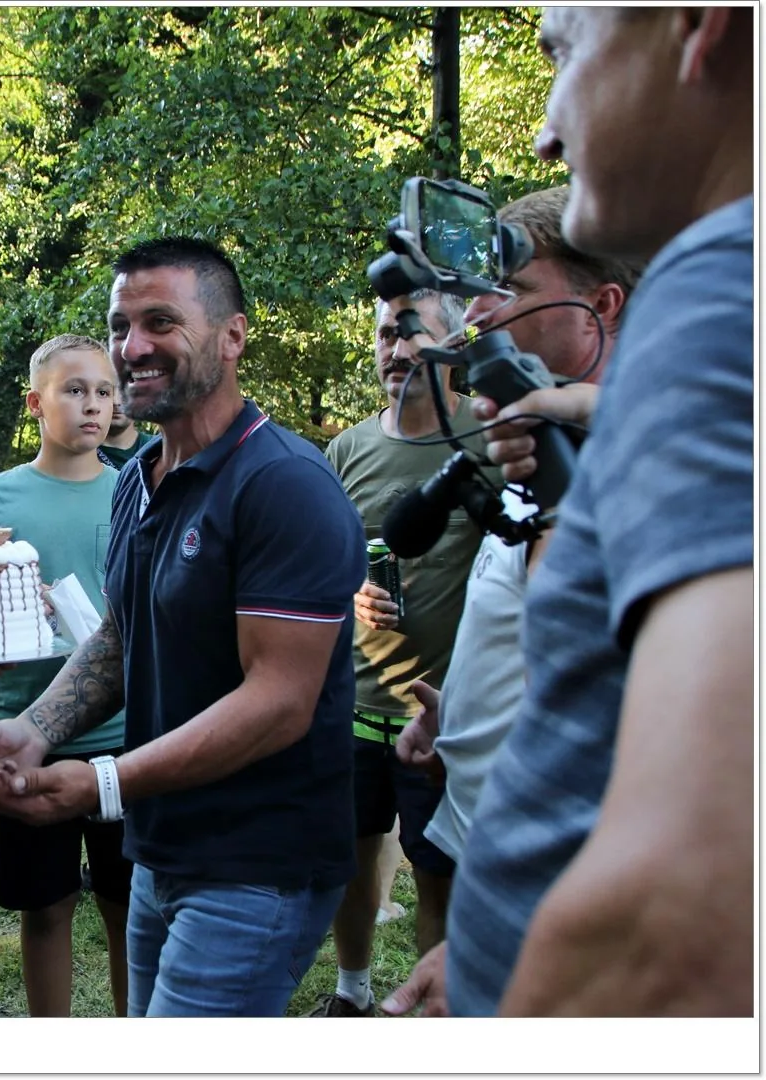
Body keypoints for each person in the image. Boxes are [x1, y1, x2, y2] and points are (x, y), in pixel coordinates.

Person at [410, 6, 750, 1016]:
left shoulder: (720, 286)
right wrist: (480, 949)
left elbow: (679, 916)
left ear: (697, 26)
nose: (546, 129)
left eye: (561, 51)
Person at [0, 237, 367, 1017]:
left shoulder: (284, 483)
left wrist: (101, 781)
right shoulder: (136, 481)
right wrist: (35, 727)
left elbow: (280, 701)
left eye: (159, 322)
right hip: (162, 849)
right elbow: (122, 632)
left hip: (257, 865)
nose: (132, 347)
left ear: (232, 336)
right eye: (120, 326)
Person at [380, 186, 642, 1018]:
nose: (480, 310)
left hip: (570, 889)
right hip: (482, 834)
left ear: (600, 305)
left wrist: (514, 934)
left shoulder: (657, 466)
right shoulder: (540, 456)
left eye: (510, 288)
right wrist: (452, 711)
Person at [306, 289, 481, 1017]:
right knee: (349, 855)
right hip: (356, 703)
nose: (397, 349)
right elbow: (314, 562)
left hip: (450, 713)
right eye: (386, 334)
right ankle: (352, 993)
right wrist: (348, 593)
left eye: (414, 334)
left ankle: (430, 1011)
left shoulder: (485, 440)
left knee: (438, 872)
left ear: (454, 348)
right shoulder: (345, 449)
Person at [0, 333, 131, 1017]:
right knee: (46, 907)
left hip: (124, 740)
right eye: (73, 390)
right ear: (35, 402)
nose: (91, 405)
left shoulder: (136, 493)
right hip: (25, 736)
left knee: (126, 903)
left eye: (103, 391)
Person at [97, 398, 153, 469]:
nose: (116, 402)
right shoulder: (83, 454)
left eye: (124, 392)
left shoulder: (160, 448)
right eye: (107, 393)